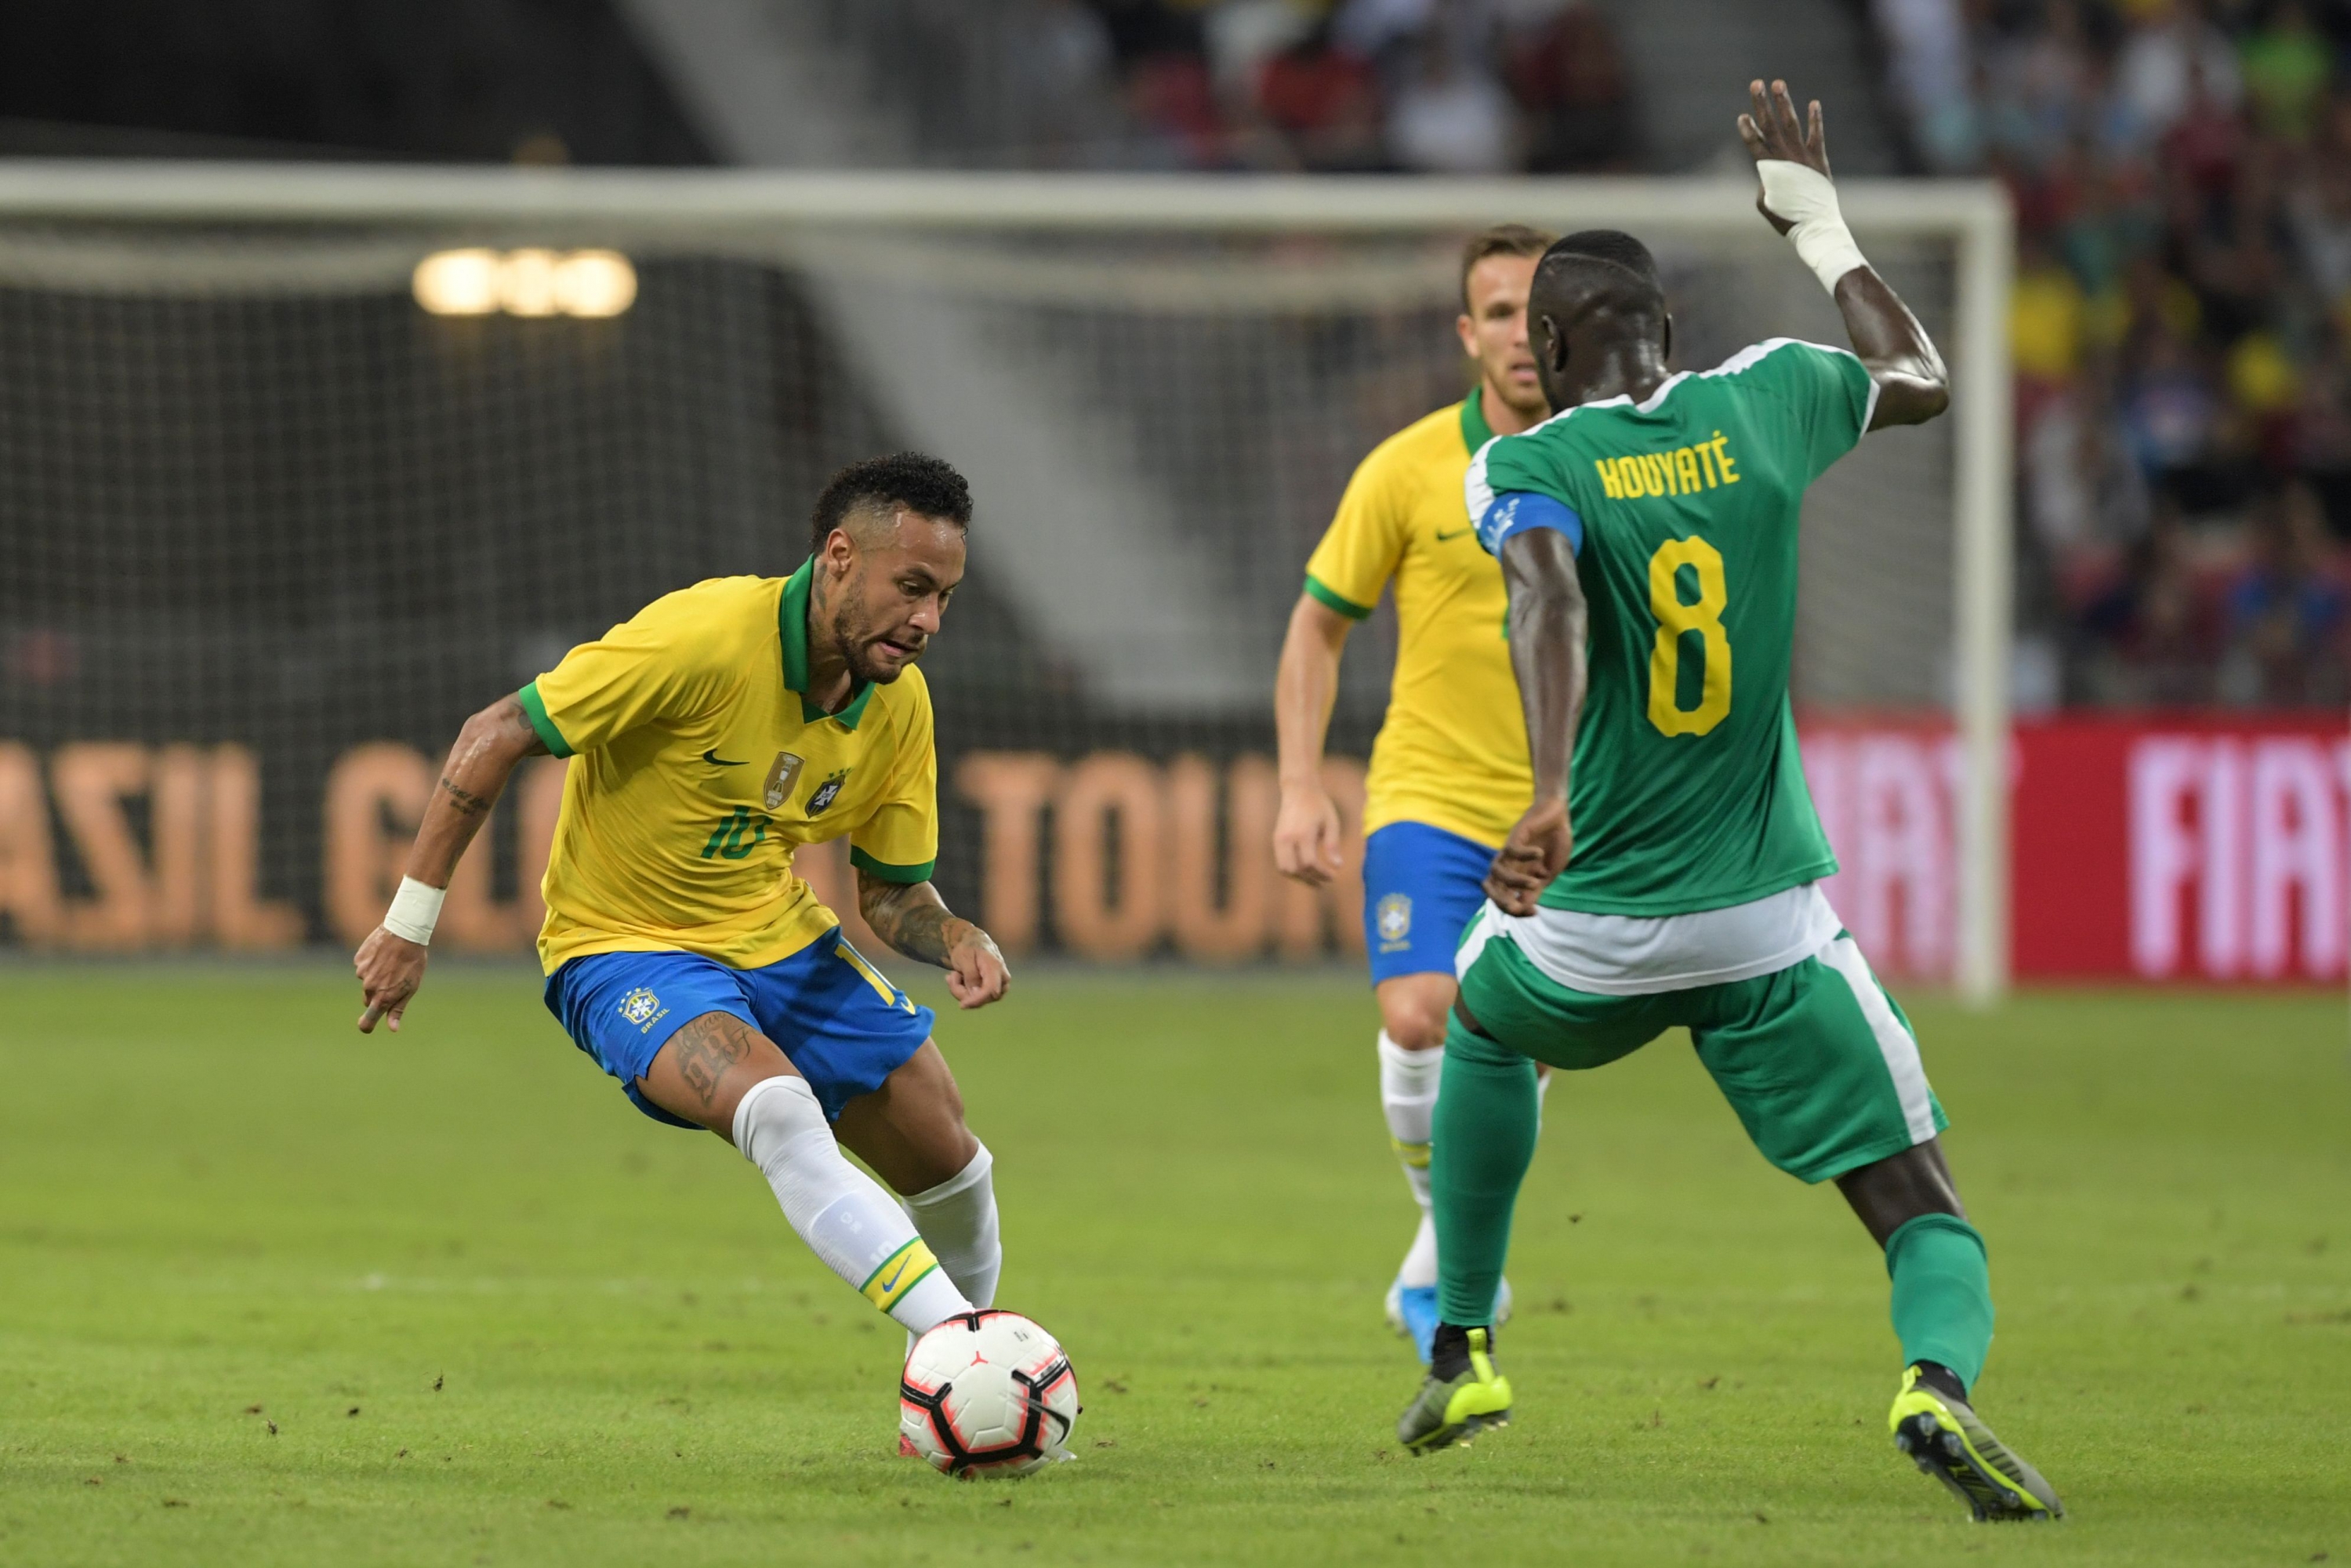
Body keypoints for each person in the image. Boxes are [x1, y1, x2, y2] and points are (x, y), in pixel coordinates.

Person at [1393, 83, 2066, 1525]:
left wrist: (1550, 792)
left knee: (1483, 1028)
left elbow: (1547, 599)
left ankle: (1461, 1347)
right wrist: (1812, 220)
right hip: (1763, 923)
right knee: (1919, 1204)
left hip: (1588, 926)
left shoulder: (1525, 459)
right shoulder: (1768, 393)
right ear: (1669, 330)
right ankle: (1932, 1385)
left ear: (1548, 351)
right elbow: (1919, 375)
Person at [351, 452, 1014, 1364]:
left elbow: (891, 891)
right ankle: (970, 1353)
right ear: (839, 556)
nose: (928, 619)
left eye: (944, 597)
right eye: (911, 587)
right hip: (623, 948)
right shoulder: (701, 638)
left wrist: (954, 935)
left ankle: (949, 1394)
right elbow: (493, 732)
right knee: (778, 1111)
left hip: (780, 941)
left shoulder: (898, 708)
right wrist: (406, 926)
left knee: (953, 1166)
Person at [1273, 222, 1553, 1363]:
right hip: (1427, 793)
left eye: (1539, 311)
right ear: (1465, 333)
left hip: (1566, 813)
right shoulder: (1404, 467)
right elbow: (1316, 625)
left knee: (1515, 1046)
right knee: (1416, 1014)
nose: (1521, 333)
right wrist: (1300, 783)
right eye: (1499, 312)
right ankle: (1453, 1249)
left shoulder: (1616, 462)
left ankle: (1438, 1259)